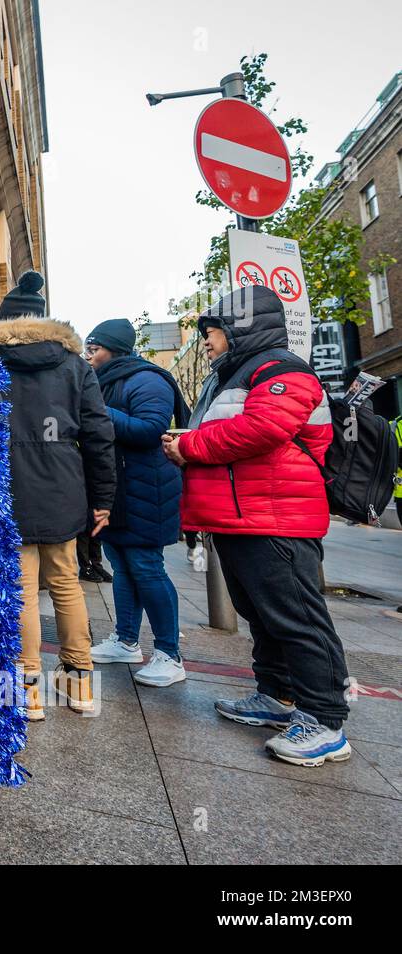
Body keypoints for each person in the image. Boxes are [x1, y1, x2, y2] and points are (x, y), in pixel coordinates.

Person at [163, 285, 350, 767]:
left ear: (239, 327)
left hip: (275, 518)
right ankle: (276, 696)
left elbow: (264, 430)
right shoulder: (234, 375)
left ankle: (325, 721)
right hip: (243, 516)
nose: (207, 341)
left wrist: (189, 446)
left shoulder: (281, 370)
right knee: (263, 613)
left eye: (213, 331)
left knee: (296, 617)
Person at [0, 271, 116, 722]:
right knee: (66, 583)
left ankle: (28, 691)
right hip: (64, 486)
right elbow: (99, 433)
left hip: (7, 485)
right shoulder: (75, 365)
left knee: (19, 591)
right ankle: (79, 684)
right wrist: (104, 498)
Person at [84, 318, 191, 687]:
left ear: (114, 349)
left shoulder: (148, 379)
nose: (90, 356)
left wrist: (98, 410)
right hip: (117, 490)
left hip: (147, 491)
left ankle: (169, 653)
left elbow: (149, 430)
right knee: (123, 565)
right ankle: (126, 640)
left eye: (94, 349)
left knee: (147, 567)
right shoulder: (104, 381)